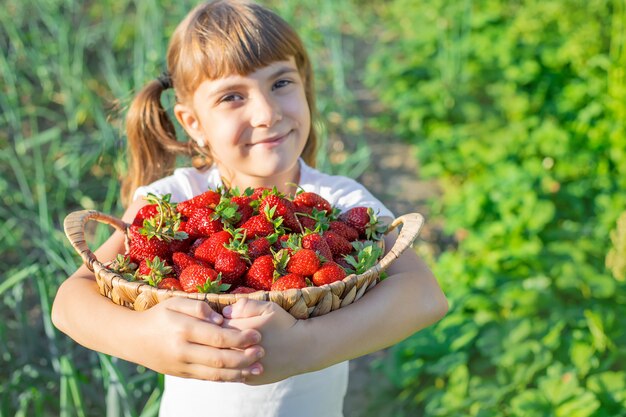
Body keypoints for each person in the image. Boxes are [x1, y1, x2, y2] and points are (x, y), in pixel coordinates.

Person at [51, 1, 448, 416]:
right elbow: (70, 301)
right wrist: (144, 338)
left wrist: (307, 346)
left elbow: (424, 295)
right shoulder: (171, 201)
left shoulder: (342, 205)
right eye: (232, 96)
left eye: (281, 83)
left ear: (304, 84)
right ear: (193, 123)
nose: (266, 112)